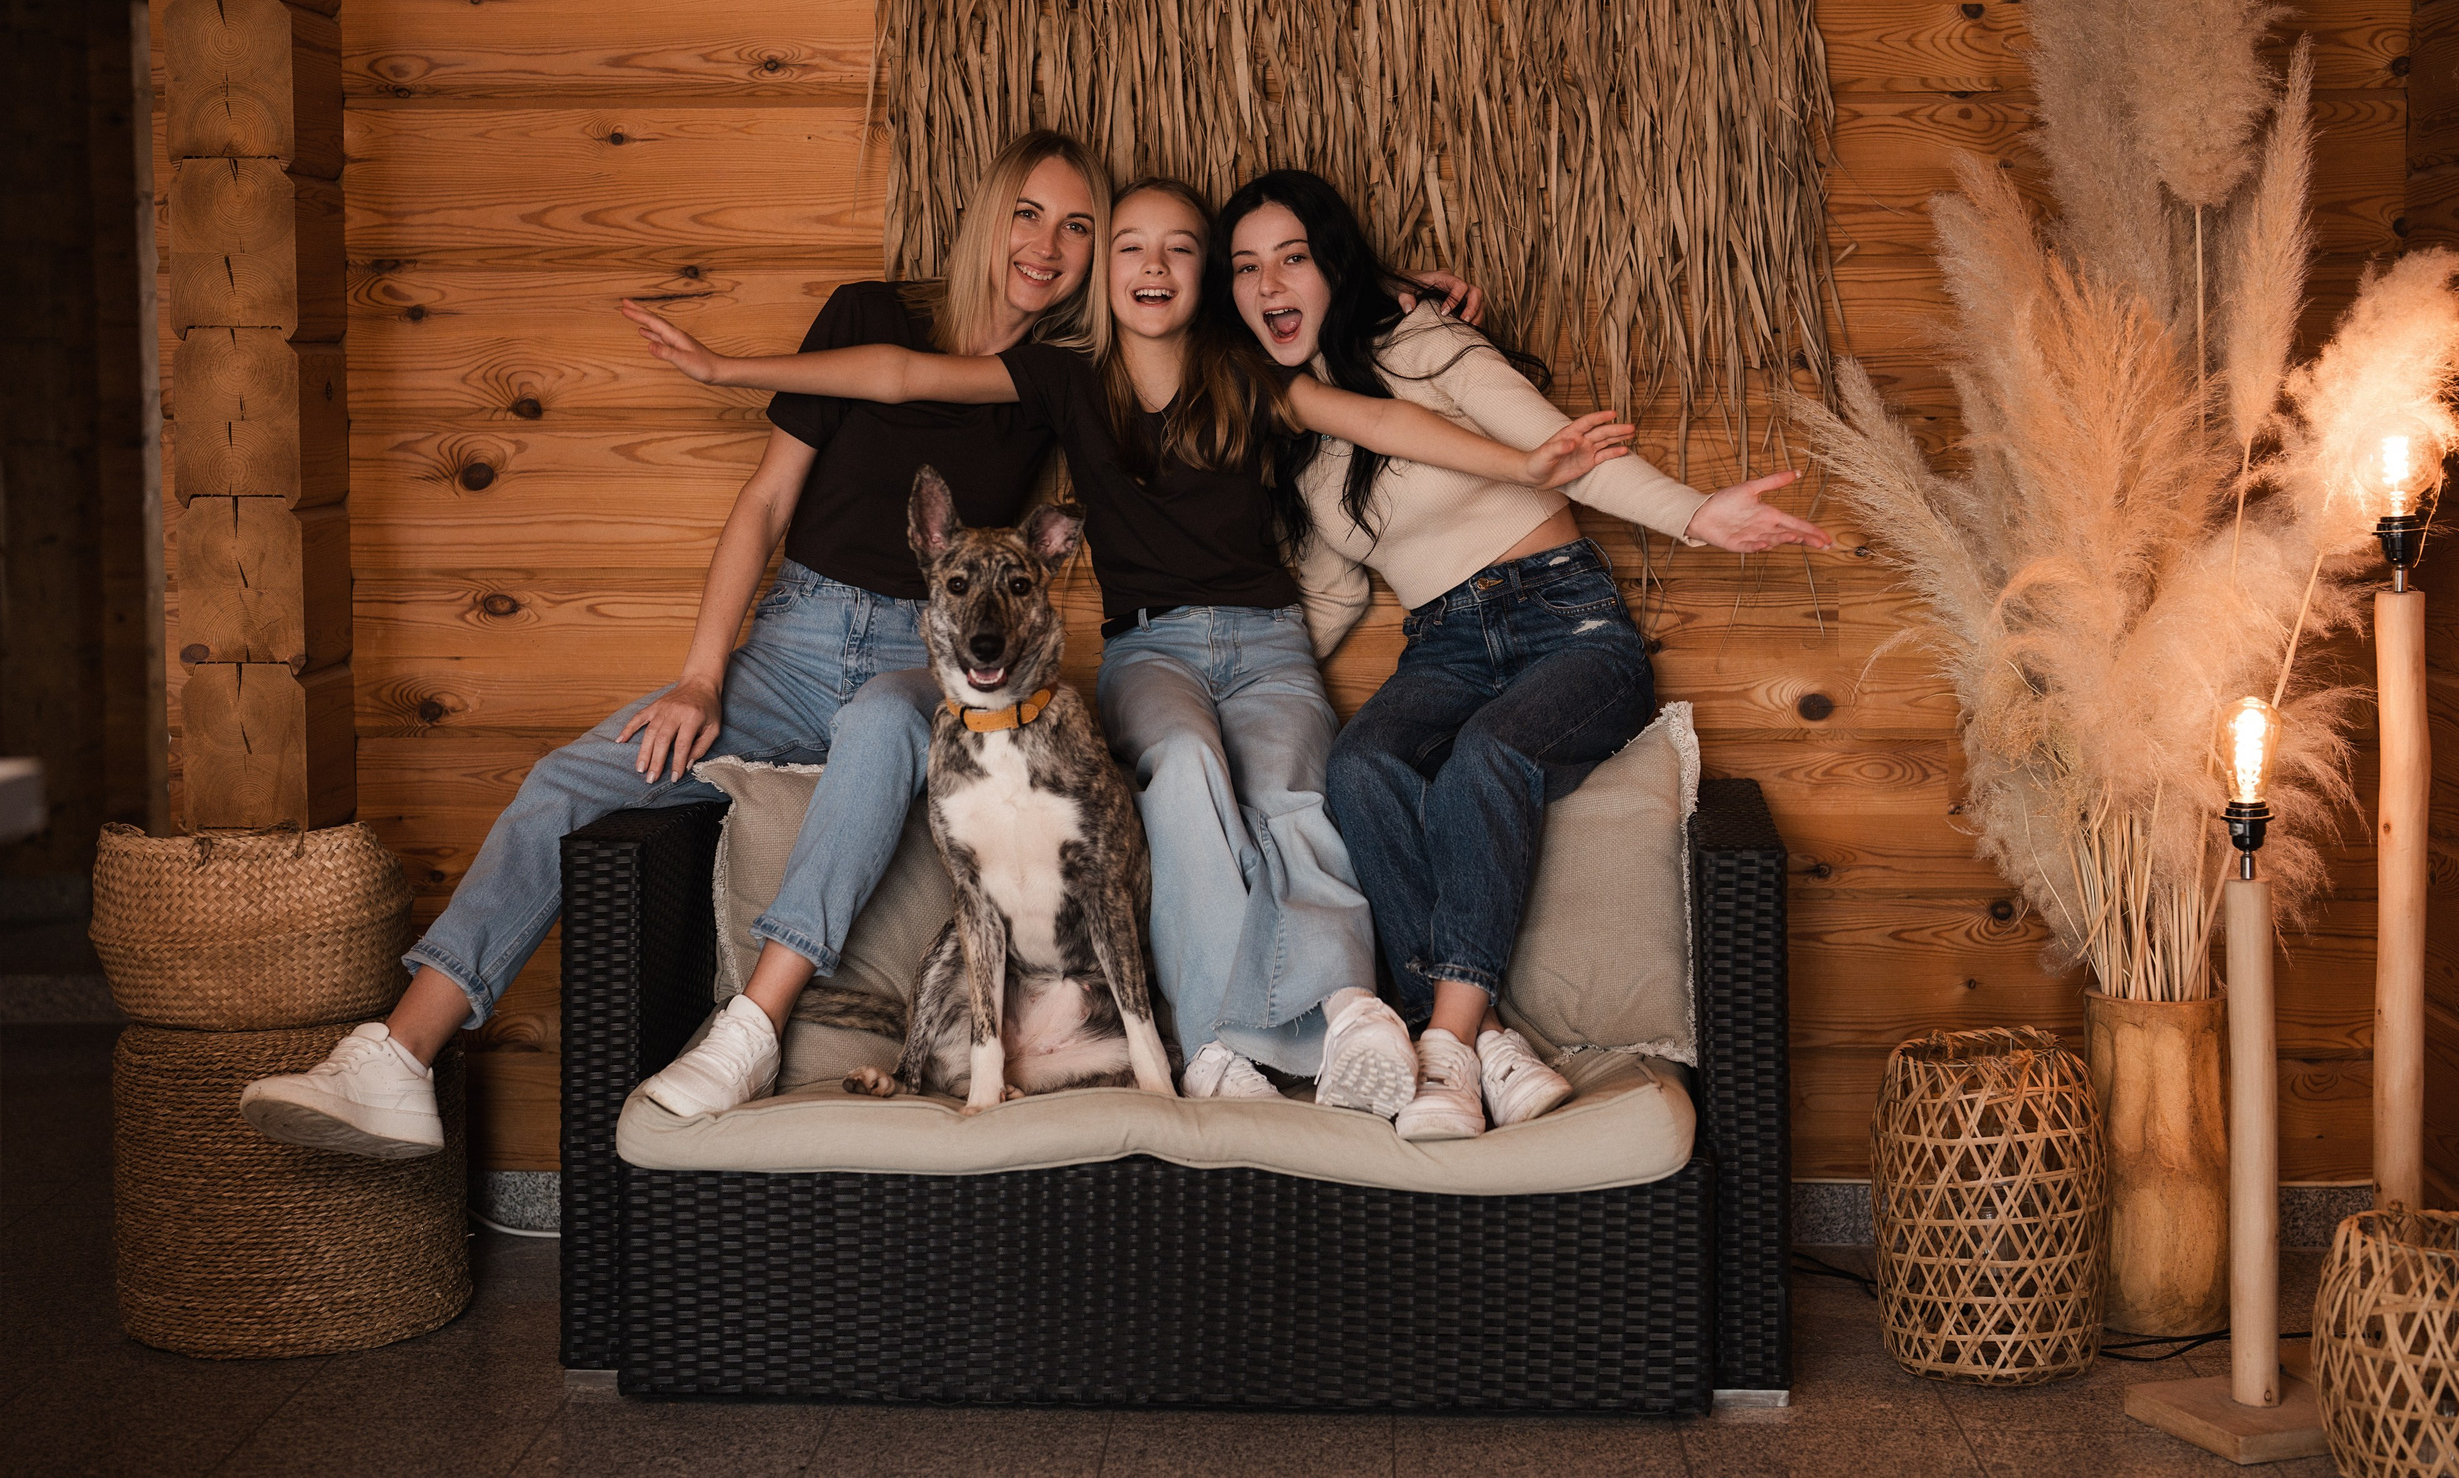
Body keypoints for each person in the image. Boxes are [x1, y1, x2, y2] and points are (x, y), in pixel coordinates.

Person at [630, 177, 1635, 1109]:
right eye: (1131, 249)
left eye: (1182, 251)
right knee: (1186, 768)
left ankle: (1347, 1011)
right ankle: (1219, 1043)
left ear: (1205, 280)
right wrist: (729, 367)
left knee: (1297, 780)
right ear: (1106, 274)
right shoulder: (1066, 379)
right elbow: (896, 373)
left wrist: (1522, 458)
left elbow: (1377, 418)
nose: (1154, 268)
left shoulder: (1242, 373)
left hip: (1269, 640)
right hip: (1150, 651)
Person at [239, 131, 1118, 1156]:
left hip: (917, 659)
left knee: (884, 723)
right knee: (569, 780)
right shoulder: (862, 310)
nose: (1046, 245)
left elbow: (900, 382)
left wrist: (724, 367)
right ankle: (396, 1058)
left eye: (1077, 227)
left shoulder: (1052, 381)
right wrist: (702, 678)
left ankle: (751, 1027)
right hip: (788, 643)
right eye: (1028, 212)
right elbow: (762, 504)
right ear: (989, 213)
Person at [1220, 169, 1833, 1141]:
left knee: (1486, 760)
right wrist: (1231, 673)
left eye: (1292, 257)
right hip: (1444, 643)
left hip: (1567, 622)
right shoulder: (1296, 440)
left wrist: (1696, 515)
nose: (1269, 284)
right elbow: (1329, 596)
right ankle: (1491, 1040)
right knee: (1361, 765)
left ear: (1332, 268)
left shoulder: (1423, 346)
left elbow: (1563, 446)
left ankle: (1446, 1050)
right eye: (1247, 267)